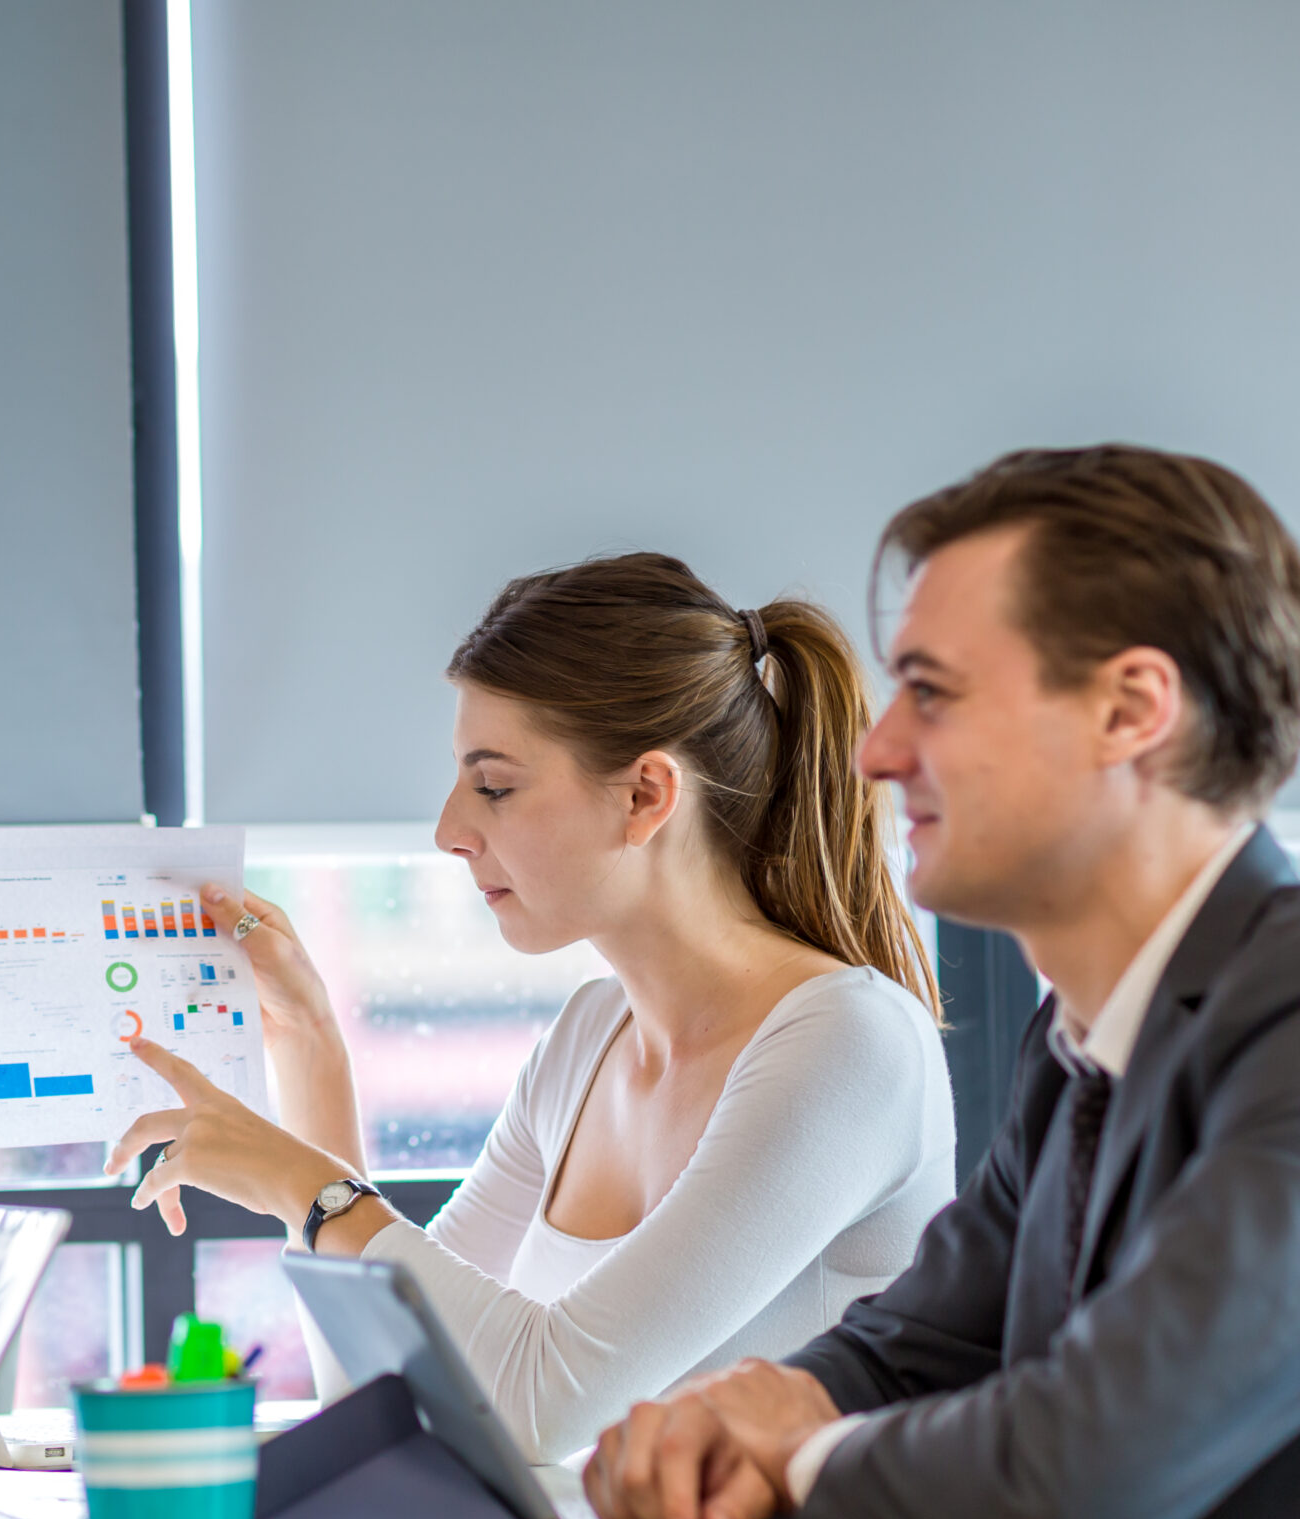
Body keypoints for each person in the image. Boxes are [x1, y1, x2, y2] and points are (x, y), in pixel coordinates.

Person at [585, 445, 1300, 1519]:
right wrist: (734, 1420)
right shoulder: (1077, 1041)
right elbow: (911, 1351)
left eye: (934, 693)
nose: (877, 751)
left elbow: (1078, 1468)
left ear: (1129, 709)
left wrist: (796, 1457)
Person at [110, 553, 954, 1461]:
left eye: (496, 786)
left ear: (645, 796)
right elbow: (383, 1393)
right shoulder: (588, 1039)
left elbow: (548, 1404)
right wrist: (311, 1048)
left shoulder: (848, 1043)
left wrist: (304, 1187)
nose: (449, 830)